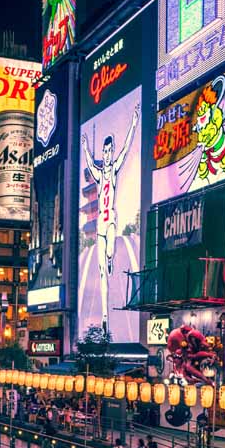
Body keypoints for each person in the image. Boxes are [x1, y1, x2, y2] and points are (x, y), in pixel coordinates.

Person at [81, 104, 139, 331]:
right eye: (104, 152)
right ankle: (105, 316)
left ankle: (112, 258)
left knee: (110, 253)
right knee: (102, 272)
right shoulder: (98, 172)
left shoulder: (113, 170)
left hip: (111, 220)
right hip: (100, 228)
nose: (106, 155)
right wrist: (85, 147)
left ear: (111, 152)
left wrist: (134, 123)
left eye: (108, 151)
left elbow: (125, 149)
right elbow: (87, 161)